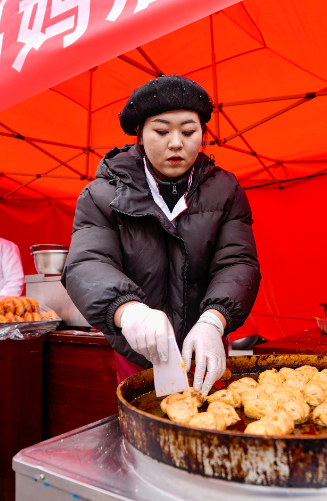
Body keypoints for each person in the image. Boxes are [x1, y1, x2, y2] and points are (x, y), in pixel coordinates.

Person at [63, 75, 262, 396]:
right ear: (139, 135)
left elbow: (237, 262)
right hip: (138, 350)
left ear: (202, 134)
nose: (175, 143)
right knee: (145, 426)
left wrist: (214, 320)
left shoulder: (226, 189)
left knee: (211, 423)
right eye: (161, 131)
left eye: (188, 131)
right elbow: (87, 262)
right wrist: (127, 310)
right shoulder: (101, 194)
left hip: (204, 346)